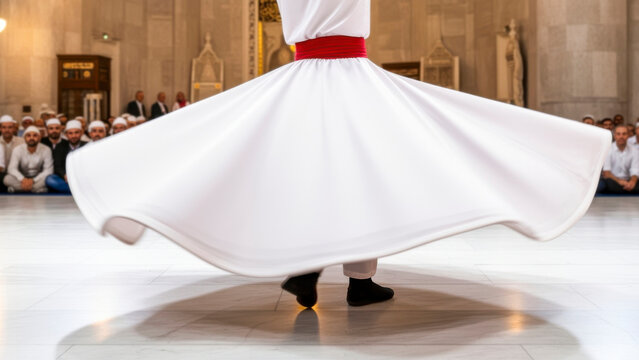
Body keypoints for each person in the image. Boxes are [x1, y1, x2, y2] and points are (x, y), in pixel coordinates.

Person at [67, 0, 610, 309]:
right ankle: (359, 281)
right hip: (350, 73)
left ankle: (305, 268)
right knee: (360, 174)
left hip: (300, 75)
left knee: (308, 173)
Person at [3, 126, 53, 193]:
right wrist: (22, 179)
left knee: (48, 179)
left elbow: (49, 170)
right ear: (24, 138)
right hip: (21, 178)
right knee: (7, 179)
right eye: (28, 136)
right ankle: (36, 189)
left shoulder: (46, 149)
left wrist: (33, 180)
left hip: (38, 178)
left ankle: (17, 189)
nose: (31, 138)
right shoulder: (17, 149)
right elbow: (11, 168)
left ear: (39, 138)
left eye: (35, 135)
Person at [46, 120, 87, 193]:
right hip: (66, 178)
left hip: (83, 177)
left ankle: (74, 190)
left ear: (81, 133)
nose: (73, 136)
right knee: (50, 179)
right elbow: (57, 166)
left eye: (76, 132)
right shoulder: (60, 146)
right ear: (66, 135)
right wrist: (64, 175)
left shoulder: (87, 146)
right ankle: (79, 191)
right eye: (70, 133)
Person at [601, 125, 639, 194]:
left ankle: (627, 188)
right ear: (614, 136)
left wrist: (632, 182)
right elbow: (607, 172)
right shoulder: (607, 149)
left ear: (628, 135)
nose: (621, 136)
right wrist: (619, 181)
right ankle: (626, 189)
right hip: (613, 180)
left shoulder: (635, 151)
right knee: (603, 185)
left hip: (628, 180)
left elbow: (635, 170)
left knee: (636, 183)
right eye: (618, 134)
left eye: (624, 134)